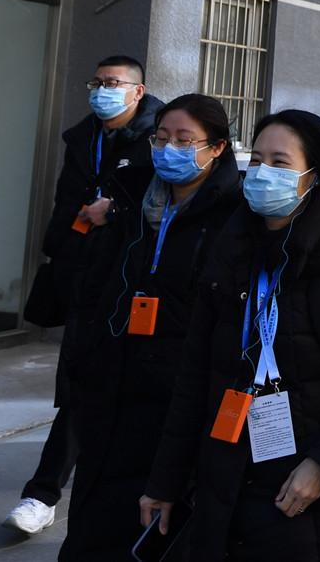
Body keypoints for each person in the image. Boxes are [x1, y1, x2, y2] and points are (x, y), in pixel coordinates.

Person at [140, 110, 320, 561]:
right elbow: (194, 375)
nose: (264, 173)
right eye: (258, 160)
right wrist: (165, 481)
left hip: (300, 493)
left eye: (281, 163)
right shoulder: (229, 254)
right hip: (222, 474)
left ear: (313, 176)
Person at [55, 93, 239, 560]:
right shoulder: (129, 198)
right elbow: (95, 284)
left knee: (153, 528)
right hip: (115, 383)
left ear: (216, 148)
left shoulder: (233, 215)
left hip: (178, 396)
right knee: (93, 524)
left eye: (184, 140)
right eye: (161, 138)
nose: (169, 149)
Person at [5, 55, 162, 536]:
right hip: (86, 276)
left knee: (124, 390)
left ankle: (134, 486)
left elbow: (164, 206)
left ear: (137, 92)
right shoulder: (82, 137)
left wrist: (113, 211)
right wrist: (58, 256)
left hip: (137, 283)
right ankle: (43, 493)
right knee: (79, 385)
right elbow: (64, 204)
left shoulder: (159, 138)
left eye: (112, 83)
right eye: (96, 81)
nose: (101, 89)